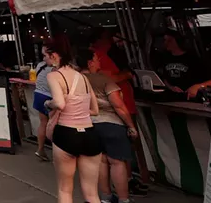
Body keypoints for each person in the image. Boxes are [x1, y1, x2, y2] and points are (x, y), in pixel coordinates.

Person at [90, 29, 150, 191]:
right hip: (114, 113)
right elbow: (110, 80)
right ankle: (126, 186)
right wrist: (128, 75)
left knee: (105, 159)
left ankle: (107, 193)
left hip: (99, 117)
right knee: (120, 157)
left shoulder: (99, 58)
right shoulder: (99, 56)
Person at [45, 36, 101, 203]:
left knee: (65, 189)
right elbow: (95, 110)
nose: (44, 59)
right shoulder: (82, 77)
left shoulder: (54, 76)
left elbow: (60, 104)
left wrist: (49, 103)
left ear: (54, 55)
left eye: (45, 55)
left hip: (66, 133)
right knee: (92, 193)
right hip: (89, 134)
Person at [77, 47, 136, 203]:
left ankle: (106, 198)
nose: (99, 62)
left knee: (101, 161)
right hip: (111, 124)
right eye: (96, 59)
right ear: (90, 63)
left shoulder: (75, 81)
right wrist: (130, 125)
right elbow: (118, 106)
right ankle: (124, 199)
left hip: (88, 125)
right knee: (117, 162)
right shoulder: (103, 80)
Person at [156, 30, 211, 99]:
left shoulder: (194, 59)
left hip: (190, 101)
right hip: (171, 100)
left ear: (177, 41)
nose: (165, 43)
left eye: (169, 40)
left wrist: (198, 87)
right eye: (165, 40)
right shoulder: (166, 58)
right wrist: (171, 87)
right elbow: (164, 79)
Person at [33, 45, 53, 162]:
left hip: (38, 94)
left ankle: (40, 149)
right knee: (54, 125)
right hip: (49, 97)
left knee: (43, 123)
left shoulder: (40, 65)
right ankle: (60, 153)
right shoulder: (56, 69)